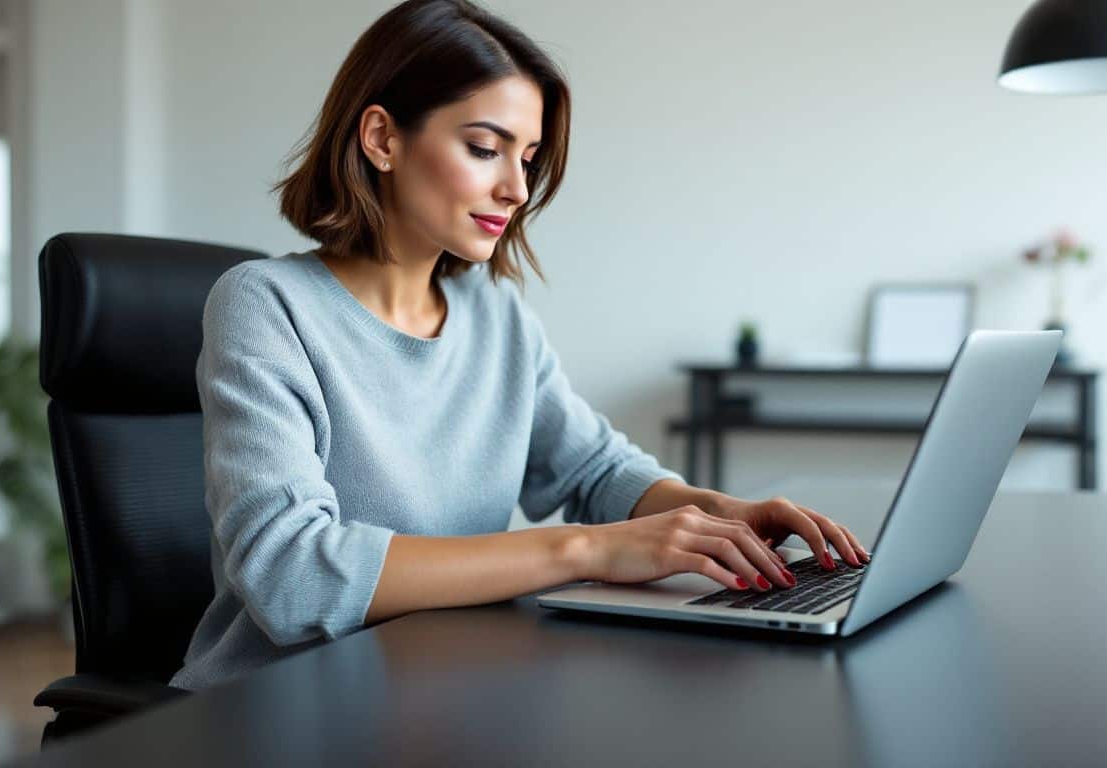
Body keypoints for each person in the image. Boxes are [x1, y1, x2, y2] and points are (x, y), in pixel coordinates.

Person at [171, 0, 869, 690]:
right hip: (282, 706)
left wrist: (717, 513)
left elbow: (593, 471)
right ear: (381, 138)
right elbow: (293, 579)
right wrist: (586, 549)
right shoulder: (264, 304)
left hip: (449, 687)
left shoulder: (494, 314)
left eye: (528, 158)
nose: (516, 188)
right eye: (483, 148)